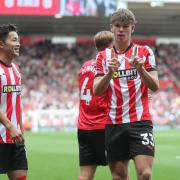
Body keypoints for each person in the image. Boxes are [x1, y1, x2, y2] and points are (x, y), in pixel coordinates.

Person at [93, 8, 159, 180]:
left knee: (145, 174)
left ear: (132, 28)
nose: (121, 29)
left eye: (125, 26)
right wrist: (109, 73)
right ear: (111, 28)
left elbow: (155, 85)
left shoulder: (144, 52)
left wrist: (141, 69)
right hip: (114, 123)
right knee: (118, 177)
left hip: (140, 121)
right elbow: (97, 90)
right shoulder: (102, 57)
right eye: (117, 26)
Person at [77, 30, 114, 180]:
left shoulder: (84, 66)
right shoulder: (107, 66)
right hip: (103, 126)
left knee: (85, 176)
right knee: (120, 174)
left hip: (84, 127)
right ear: (111, 47)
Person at [0, 24, 28, 180]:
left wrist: (20, 130)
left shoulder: (16, 69)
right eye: (14, 40)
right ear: (1, 44)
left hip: (15, 139)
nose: (18, 43)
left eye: (19, 40)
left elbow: (16, 103)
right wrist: (10, 126)